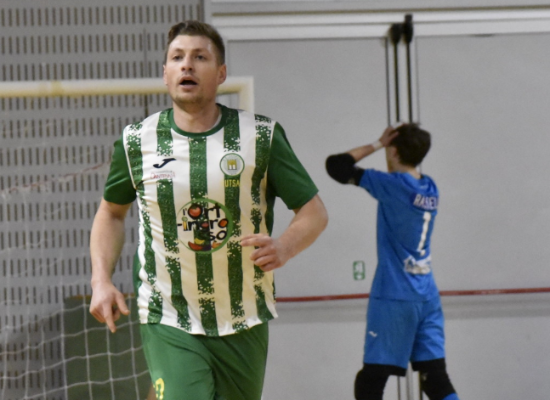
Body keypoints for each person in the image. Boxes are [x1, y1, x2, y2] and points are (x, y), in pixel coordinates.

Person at [89, 20, 328, 400]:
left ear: (221, 74)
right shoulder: (137, 141)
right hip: (168, 313)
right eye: (177, 57)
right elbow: (111, 213)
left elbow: (314, 211)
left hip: (244, 314)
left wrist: (285, 246)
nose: (187, 65)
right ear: (165, 73)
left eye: (199, 57)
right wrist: (100, 280)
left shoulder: (260, 136)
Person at [325, 124, 459, 400]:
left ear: (394, 151)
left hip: (395, 295)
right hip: (427, 295)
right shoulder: (430, 188)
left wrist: (378, 143)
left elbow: (336, 166)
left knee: (371, 381)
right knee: (435, 378)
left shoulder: (393, 185)